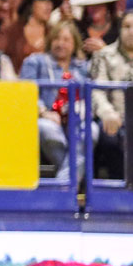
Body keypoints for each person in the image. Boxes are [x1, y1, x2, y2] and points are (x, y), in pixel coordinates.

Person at [21, 19, 92, 182]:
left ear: (75, 44)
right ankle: (72, 183)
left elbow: (92, 96)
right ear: (50, 41)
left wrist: (83, 112)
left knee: (91, 130)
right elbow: (26, 93)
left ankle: (64, 185)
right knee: (46, 129)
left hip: (77, 119)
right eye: (57, 39)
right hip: (48, 118)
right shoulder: (35, 61)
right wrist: (43, 112)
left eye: (66, 40)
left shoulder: (84, 67)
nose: (61, 44)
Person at [90, 8, 133, 178]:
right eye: (127, 26)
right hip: (116, 118)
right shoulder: (104, 56)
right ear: (120, 29)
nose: (131, 32)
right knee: (109, 137)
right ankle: (120, 193)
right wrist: (107, 113)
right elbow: (97, 90)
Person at [0, 0, 59, 69]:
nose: (49, 6)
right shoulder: (11, 31)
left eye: (51, 2)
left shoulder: (54, 33)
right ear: (31, 4)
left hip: (48, 81)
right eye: (43, 0)